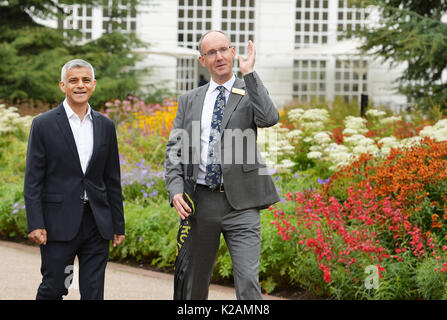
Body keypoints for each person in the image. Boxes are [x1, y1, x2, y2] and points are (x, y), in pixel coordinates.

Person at [165, 30, 280, 300]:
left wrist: (250, 74)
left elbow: (269, 118)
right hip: (200, 203)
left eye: (223, 50)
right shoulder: (189, 100)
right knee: (195, 284)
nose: (219, 57)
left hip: (242, 204)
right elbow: (175, 150)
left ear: (232, 52)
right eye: (211, 53)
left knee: (249, 282)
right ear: (202, 60)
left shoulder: (248, 90)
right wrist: (175, 189)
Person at [24, 59, 125, 300]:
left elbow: (112, 179)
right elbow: (33, 179)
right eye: (74, 80)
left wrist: (118, 224)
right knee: (54, 287)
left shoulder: (105, 126)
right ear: (63, 85)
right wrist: (35, 222)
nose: (80, 85)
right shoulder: (43, 124)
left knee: (93, 293)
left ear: (94, 85)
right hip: (57, 223)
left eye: (85, 80)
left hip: (97, 223)